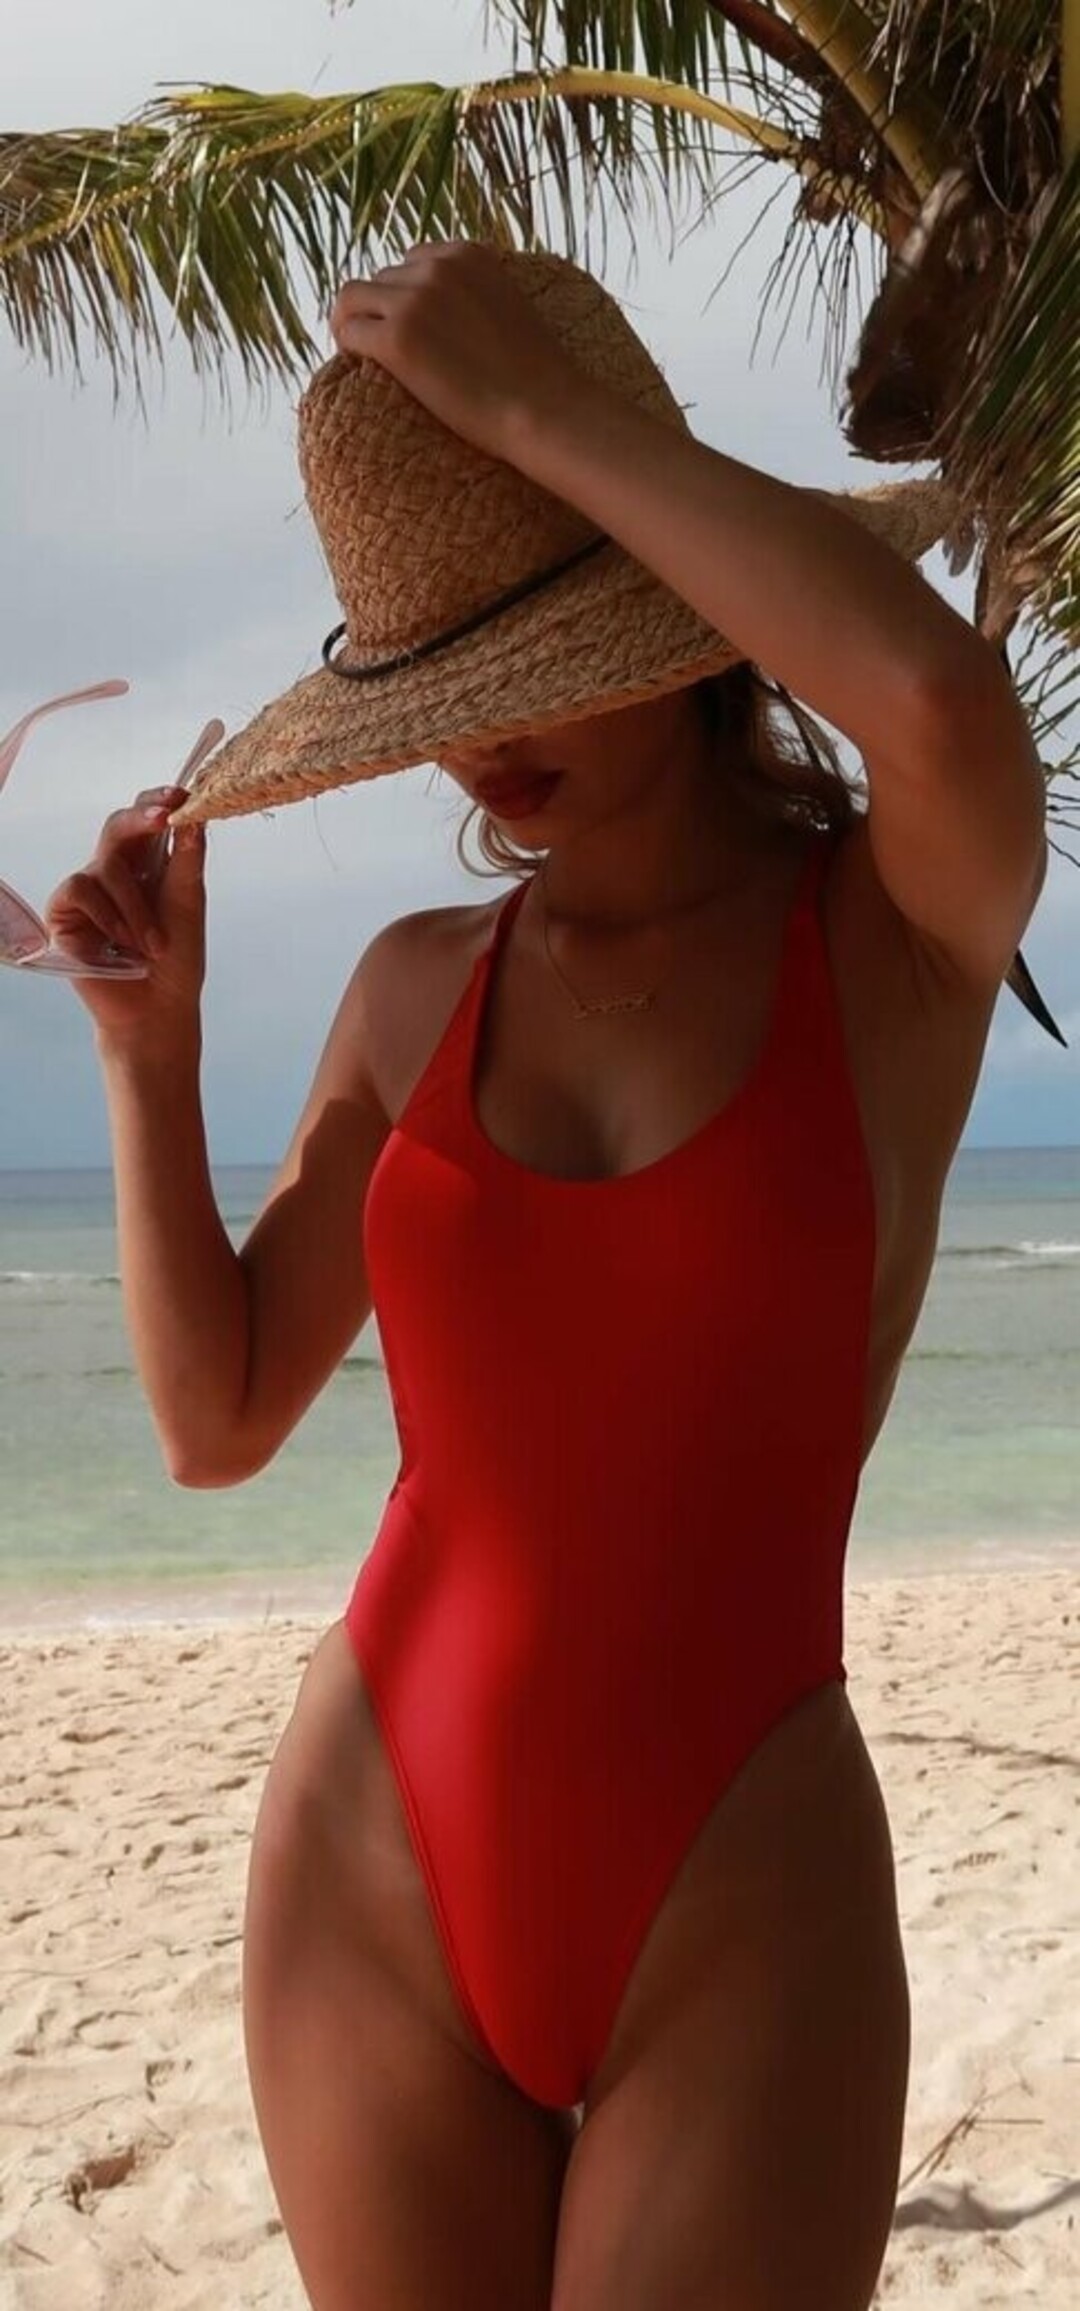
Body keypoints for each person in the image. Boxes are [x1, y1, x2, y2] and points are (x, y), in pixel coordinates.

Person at [47, 242, 1045, 2311]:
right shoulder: (414, 990)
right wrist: (148, 1058)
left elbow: (943, 701)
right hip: (370, 1853)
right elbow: (216, 1417)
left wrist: (546, 420)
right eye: (447, 689)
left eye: (536, 654)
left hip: (739, 1885)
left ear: (665, 597)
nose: (484, 743)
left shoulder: (889, 940)